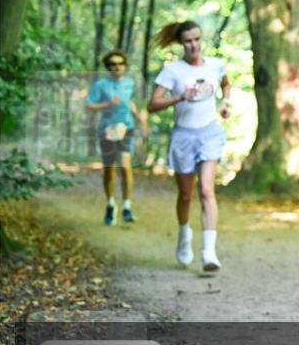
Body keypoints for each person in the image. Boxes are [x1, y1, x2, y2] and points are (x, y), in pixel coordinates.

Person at [148, 21, 231, 273]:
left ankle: (209, 253)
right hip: (183, 136)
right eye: (188, 41)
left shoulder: (215, 65)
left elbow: (226, 83)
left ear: (201, 39)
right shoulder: (173, 71)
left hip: (210, 134)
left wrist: (225, 103)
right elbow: (152, 105)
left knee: (206, 190)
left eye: (196, 39)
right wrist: (179, 97)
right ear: (181, 43)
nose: (193, 45)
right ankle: (184, 235)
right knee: (186, 195)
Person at [85, 50, 148, 225]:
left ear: (125, 66)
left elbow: (130, 102)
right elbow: (89, 105)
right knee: (109, 169)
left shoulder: (129, 83)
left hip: (126, 128)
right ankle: (111, 204)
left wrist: (139, 117)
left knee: (126, 167)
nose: (117, 67)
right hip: (108, 129)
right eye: (113, 64)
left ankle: (127, 206)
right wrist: (107, 104)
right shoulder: (100, 84)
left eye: (120, 64)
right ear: (108, 67)